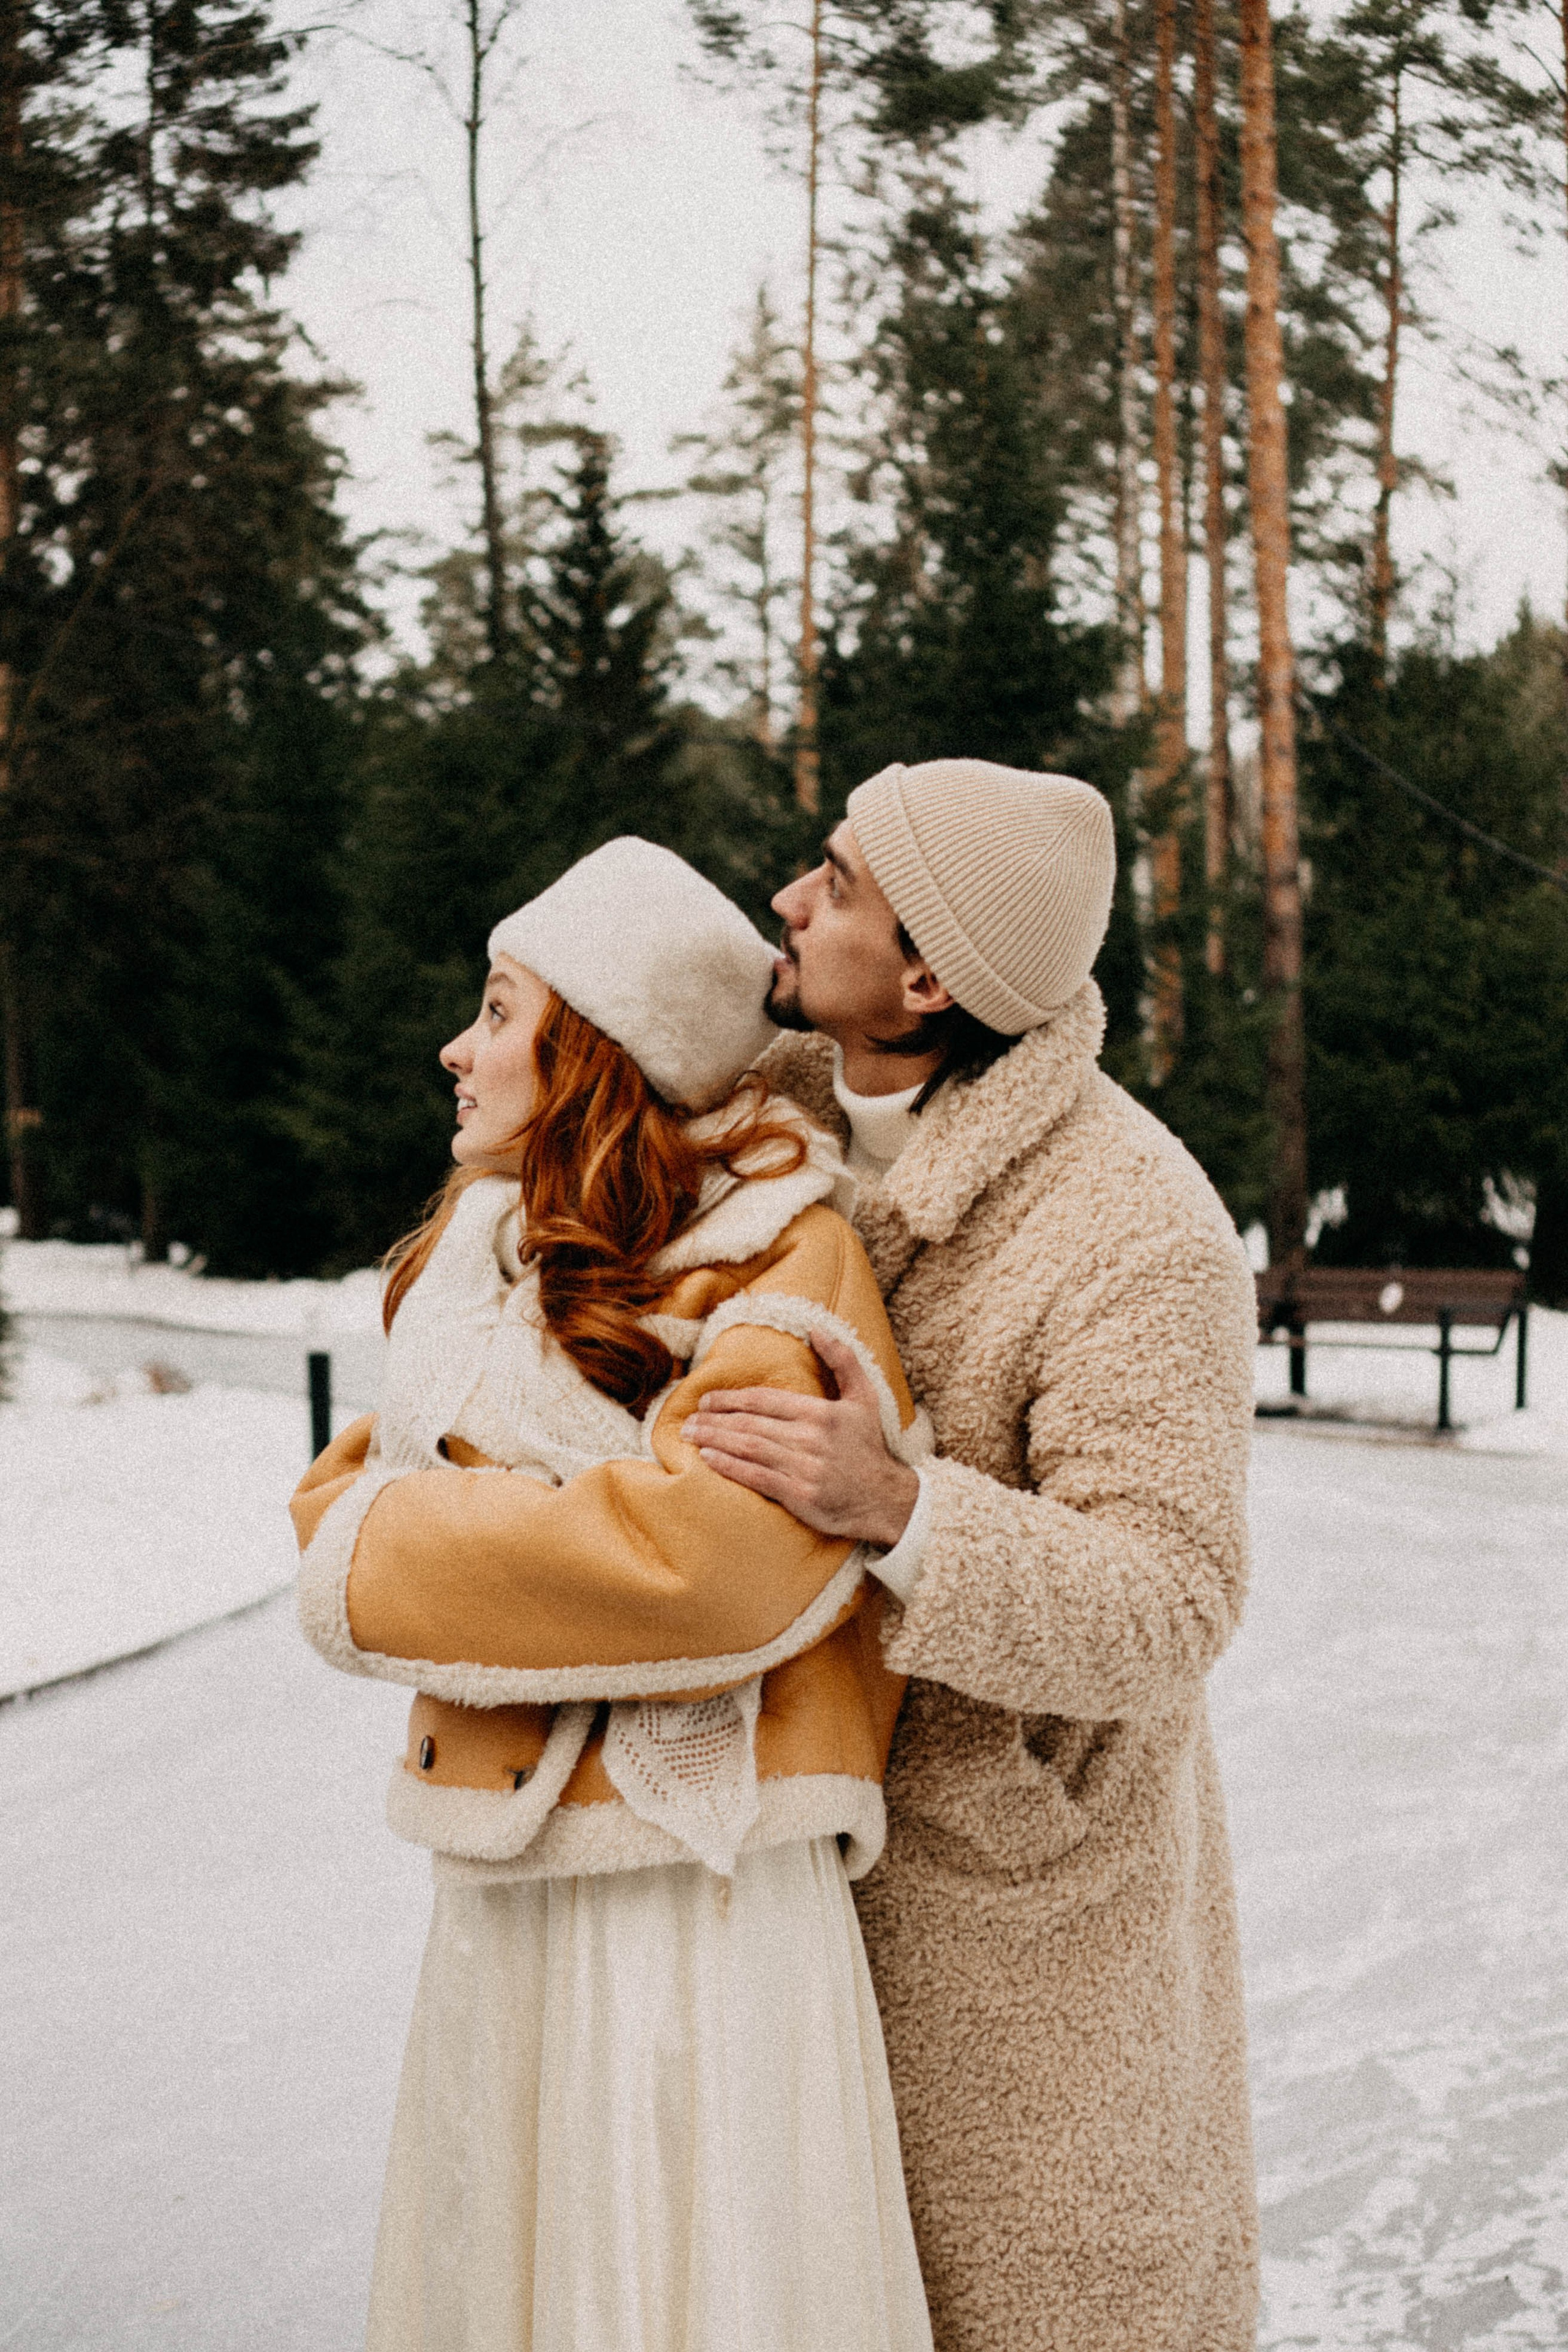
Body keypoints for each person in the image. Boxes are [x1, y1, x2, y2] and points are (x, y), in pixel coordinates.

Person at [290, 838, 933, 2352]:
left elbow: (707, 1565)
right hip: (509, 1887)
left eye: (498, 1011)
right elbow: (336, 1504)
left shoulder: (784, 1248)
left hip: (704, 1896)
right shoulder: (476, 1260)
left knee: (697, 2283)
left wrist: (428, 1530)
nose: (456, 1050)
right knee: (509, 2279)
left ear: (596, 1049)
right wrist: (548, 1515)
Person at [682, 758, 1261, 2352]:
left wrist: (901, 1505)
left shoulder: (1136, 1227)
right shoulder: (760, 1114)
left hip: (1012, 1930)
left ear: (926, 979)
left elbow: (1172, 1600)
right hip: (769, 1865)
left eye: (836, 882)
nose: (788, 900)